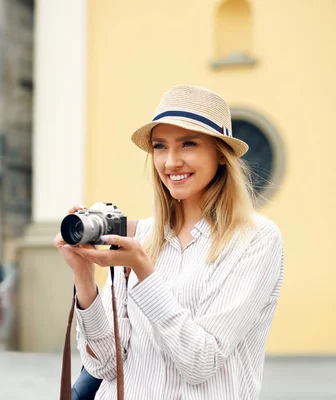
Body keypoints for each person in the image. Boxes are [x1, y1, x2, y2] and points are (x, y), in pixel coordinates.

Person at [53, 85, 284, 399]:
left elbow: (200, 362)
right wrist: (82, 275)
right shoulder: (140, 238)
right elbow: (104, 365)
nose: (171, 161)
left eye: (188, 144)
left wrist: (144, 273)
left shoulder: (255, 240)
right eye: (160, 147)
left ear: (219, 154)